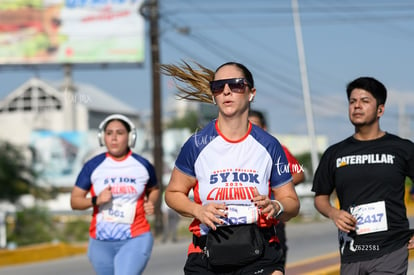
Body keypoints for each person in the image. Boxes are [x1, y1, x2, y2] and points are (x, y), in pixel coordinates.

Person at [164, 61, 300, 275]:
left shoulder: (269, 145)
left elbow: (292, 203)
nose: (226, 91)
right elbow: (172, 193)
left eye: (235, 84)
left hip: (260, 251)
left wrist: (276, 206)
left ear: (251, 93)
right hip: (207, 252)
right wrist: (197, 210)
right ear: (213, 96)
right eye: (218, 87)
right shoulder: (197, 144)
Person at [311, 76, 414, 274]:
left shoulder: (402, 149)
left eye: (365, 101)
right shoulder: (335, 153)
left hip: (390, 249)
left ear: (380, 110)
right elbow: (320, 199)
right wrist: (334, 213)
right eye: (352, 101)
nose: (357, 106)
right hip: (351, 251)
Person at [70, 114, 160, 275]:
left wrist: (150, 202)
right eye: (109, 133)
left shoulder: (143, 165)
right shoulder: (92, 166)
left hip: (136, 237)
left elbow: (154, 189)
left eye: (119, 133)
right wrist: (96, 200)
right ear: (102, 137)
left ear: (130, 136)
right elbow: (75, 202)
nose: (113, 138)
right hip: (100, 241)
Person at [248, 109, 305, 267]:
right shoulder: (232, 150)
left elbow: (299, 174)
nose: (252, 130)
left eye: (256, 126)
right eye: (248, 125)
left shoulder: (275, 148)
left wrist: (278, 185)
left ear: (264, 128)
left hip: (272, 222)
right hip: (241, 226)